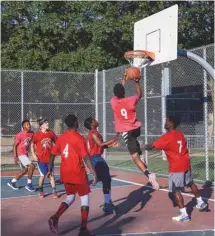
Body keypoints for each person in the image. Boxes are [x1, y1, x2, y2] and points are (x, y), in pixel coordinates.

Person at [144, 117, 208, 222]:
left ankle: (184, 214)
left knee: (175, 190)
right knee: (191, 183)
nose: (165, 123)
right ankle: (200, 202)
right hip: (186, 162)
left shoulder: (167, 136)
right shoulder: (180, 134)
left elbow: (153, 146)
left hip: (176, 166)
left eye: (166, 122)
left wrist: (145, 146)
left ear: (170, 124)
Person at [47, 114, 97, 236]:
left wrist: (49, 169)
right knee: (84, 198)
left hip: (65, 173)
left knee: (70, 197)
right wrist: (93, 172)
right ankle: (84, 229)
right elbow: (85, 157)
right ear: (75, 122)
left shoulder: (61, 138)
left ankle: (55, 218)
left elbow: (52, 154)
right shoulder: (79, 138)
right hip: (77, 172)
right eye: (77, 121)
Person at [110, 72, 159, 190]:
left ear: (115, 94)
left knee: (134, 157)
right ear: (124, 92)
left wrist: (123, 79)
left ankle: (149, 175)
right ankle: (142, 156)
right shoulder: (131, 100)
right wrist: (137, 82)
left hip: (127, 131)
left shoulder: (113, 102)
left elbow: (119, 90)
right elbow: (139, 94)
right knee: (135, 141)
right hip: (136, 128)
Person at [84, 117, 119, 214]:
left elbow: (102, 145)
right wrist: (113, 139)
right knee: (106, 179)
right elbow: (100, 144)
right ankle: (107, 204)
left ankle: (107, 202)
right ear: (92, 124)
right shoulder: (93, 133)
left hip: (97, 158)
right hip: (95, 159)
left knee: (106, 179)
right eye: (94, 120)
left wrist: (111, 145)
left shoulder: (95, 132)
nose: (96, 120)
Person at [31, 118, 58, 198]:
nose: (48, 124)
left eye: (47, 122)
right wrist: (33, 154)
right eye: (46, 123)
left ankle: (54, 191)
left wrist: (56, 150)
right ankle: (41, 190)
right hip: (41, 159)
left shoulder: (51, 133)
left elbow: (57, 142)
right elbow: (32, 144)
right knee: (42, 175)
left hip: (50, 159)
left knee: (51, 175)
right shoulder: (37, 134)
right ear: (41, 125)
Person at [7, 120, 36, 192]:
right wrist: (15, 157)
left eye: (29, 124)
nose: (29, 125)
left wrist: (35, 153)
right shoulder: (20, 135)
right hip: (21, 154)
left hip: (25, 154)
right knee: (32, 166)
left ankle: (12, 182)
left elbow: (33, 144)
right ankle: (29, 184)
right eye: (27, 124)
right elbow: (15, 146)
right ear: (23, 126)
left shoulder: (32, 133)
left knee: (25, 170)